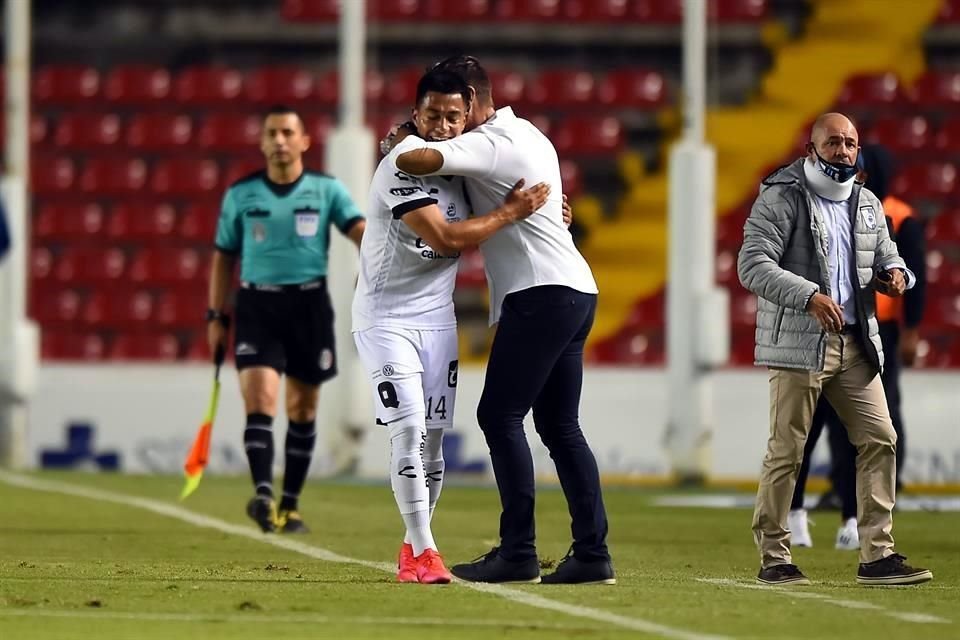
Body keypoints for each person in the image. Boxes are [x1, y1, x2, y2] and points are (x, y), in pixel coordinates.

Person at [394, 55, 614, 585]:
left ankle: (518, 551)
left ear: (471, 102)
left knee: (500, 417)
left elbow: (416, 162)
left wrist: (402, 136)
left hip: (539, 293)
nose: (445, 122)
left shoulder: (489, 141)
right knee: (560, 426)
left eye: (452, 110)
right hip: (574, 288)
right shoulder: (530, 134)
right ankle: (592, 553)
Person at [354, 69, 551, 584]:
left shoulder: (464, 169)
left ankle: (412, 545)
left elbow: (505, 202)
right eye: (432, 115)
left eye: (452, 117)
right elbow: (444, 239)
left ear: (466, 117)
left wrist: (547, 215)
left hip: (438, 323)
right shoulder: (398, 167)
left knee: (434, 442)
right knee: (409, 428)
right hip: (385, 319)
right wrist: (511, 211)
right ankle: (425, 551)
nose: (442, 126)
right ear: (415, 114)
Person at [738, 112, 932, 586]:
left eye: (850, 144)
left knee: (880, 438)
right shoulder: (781, 196)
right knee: (788, 451)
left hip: (856, 340)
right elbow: (751, 264)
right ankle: (774, 557)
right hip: (800, 341)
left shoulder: (866, 201)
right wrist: (807, 295)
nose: (843, 151)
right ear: (811, 149)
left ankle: (877, 554)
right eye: (833, 143)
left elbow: (889, 256)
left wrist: (897, 277)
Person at [208, 105, 365, 534]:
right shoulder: (241, 194)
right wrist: (215, 314)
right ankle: (262, 493)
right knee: (260, 398)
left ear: (304, 141)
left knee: (302, 407)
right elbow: (224, 255)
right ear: (262, 142)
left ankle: (289, 505)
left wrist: (389, 261)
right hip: (257, 305)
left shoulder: (326, 189)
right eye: (271, 133)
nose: (279, 140)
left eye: (287, 133)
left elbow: (361, 233)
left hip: (309, 307)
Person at [787, 143, 927, 552]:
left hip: (873, 329)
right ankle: (809, 514)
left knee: (871, 427)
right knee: (813, 427)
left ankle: (861, 515)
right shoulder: (830, 208)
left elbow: (908, 271)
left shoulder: (893, 214)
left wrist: (909, 314)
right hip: (832, 324)